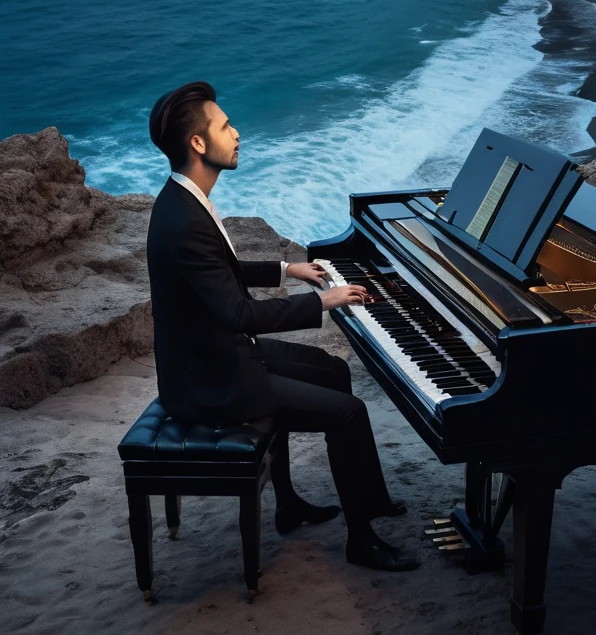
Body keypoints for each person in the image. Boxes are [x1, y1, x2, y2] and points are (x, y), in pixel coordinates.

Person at [146, 80, 418, 572]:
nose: (237, 133)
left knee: (333, 371)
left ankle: (305, 502)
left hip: (218, 354)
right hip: (211, 381)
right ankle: (362, 540)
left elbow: (217, 271)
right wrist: (323, 300)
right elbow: (240, 313)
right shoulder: (183, 220)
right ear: (198, 144)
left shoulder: (182, 200)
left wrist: (285, 270)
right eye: (225, 126)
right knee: (349, 412)